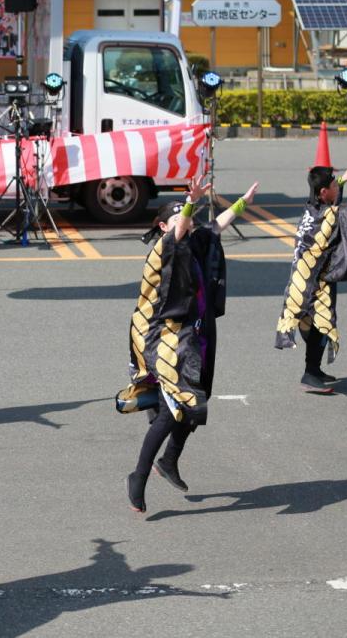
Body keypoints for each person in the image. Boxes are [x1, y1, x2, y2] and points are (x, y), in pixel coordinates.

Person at [120, 177, 258, 513]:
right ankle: (138, 476)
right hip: (162, 336)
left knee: (195, 404)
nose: (189, 221)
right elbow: (180, 231)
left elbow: (215, 227)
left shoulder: (193, 241)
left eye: (190, 215)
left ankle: (169, 459)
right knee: (175, 409)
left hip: (192, 335)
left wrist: (242, 202)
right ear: (165, 224)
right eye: (182, 216)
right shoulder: (163, 248)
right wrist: (191, 200)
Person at [275, 160, 347, 394]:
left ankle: (314, 371)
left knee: (318, 325)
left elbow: (334, 200)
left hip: (303, 279)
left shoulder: (311, 208)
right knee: (319, 325)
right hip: (314, 283)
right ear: (324, 192)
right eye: (334, 185)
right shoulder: (330, 215)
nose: (338, 188)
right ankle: (309, 372)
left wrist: (343, 178)